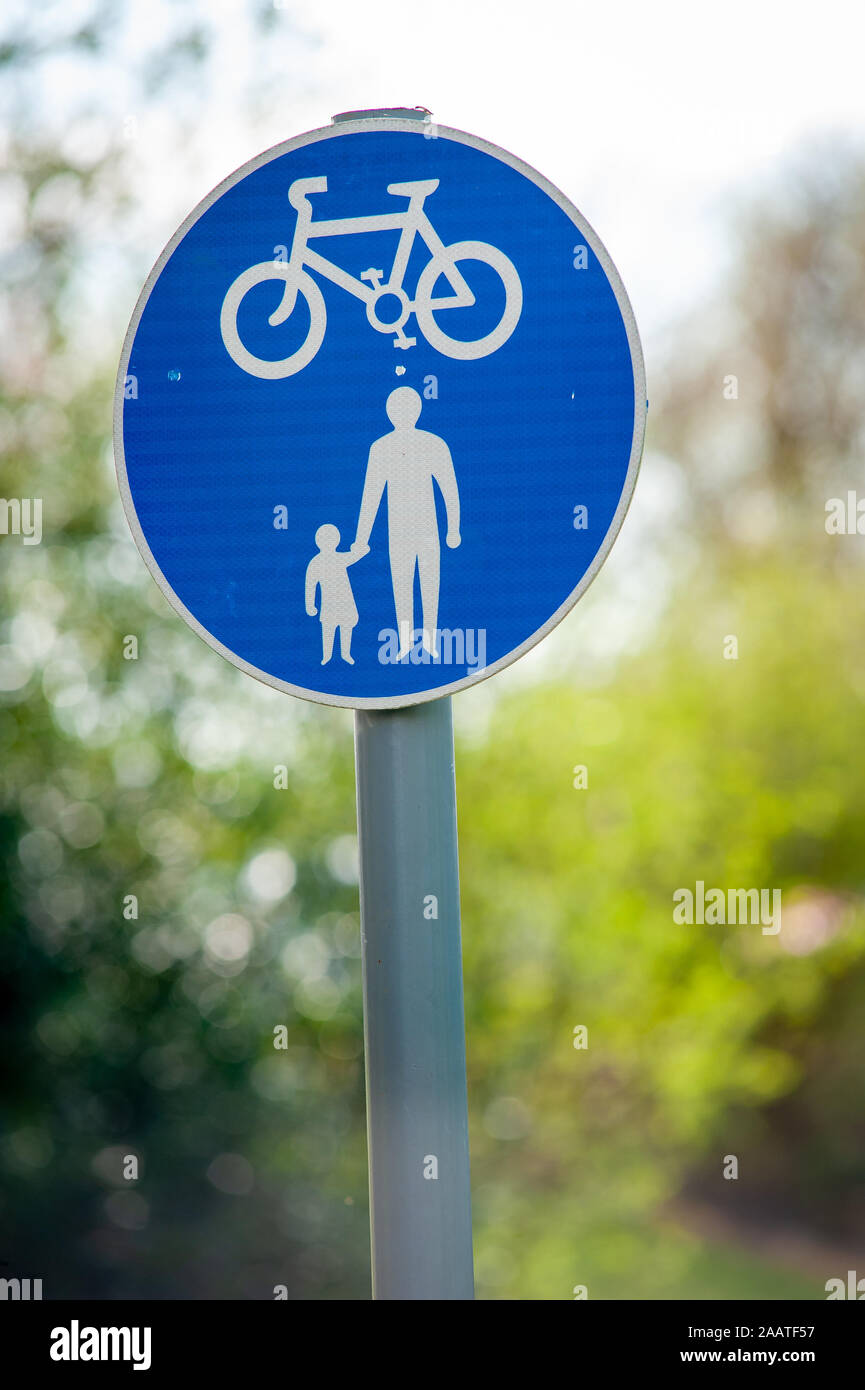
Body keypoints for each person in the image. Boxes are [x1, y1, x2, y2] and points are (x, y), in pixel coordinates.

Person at [351, 387, 460, 658]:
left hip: (426, 530)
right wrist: (361, 539)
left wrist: (453, 528)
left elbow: (449, 488)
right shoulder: (381, 448)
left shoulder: (433, 444)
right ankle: (405, 643)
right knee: (402, 585)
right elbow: (371, 496)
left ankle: (431, 641)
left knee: (428, 583)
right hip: (399, 532)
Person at [305, 523, 361, 664]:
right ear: (318, 542)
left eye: (332, 538)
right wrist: (310, 605)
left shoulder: (339, 557)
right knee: (328, 628)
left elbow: (353, 556)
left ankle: (346, 654)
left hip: (345, 601)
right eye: (325, 539)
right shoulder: (315, 563)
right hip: (329, 604)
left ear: (337, 540)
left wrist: (362, 550)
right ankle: (326, 656)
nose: (329, 543)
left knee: (346, 626)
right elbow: (310, 586)